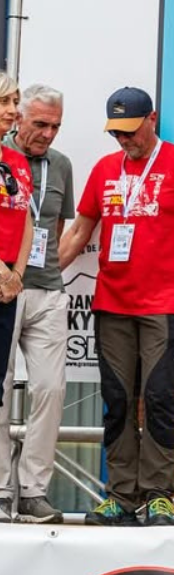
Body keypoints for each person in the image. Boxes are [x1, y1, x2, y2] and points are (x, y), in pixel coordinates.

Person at [58, 87, 174, 526]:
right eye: (116, 133)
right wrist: (38, 276)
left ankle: (157, 494)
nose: (124, 141)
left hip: (164, 303)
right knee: (116, 399)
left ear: (152, 119)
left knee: (159, 396)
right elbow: (78, 234)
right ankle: (120, 494)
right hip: (112, 302)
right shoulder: (105, 169)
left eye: (130, 131)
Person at [0, 85, 72, 525]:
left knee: (50, 388)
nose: (47, 134)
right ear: (19, 118)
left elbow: (53, 224)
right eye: (39, 124)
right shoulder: (4, 155)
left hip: (43, 285)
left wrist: (26, 272)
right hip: (5, 284)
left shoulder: (61, 165)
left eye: (55, 126)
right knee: (1, 390)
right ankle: (2, 486)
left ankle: (32, 490)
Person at [0, 72, 34, 477]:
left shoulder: (18, 161)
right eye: (6, 102)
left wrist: (17, 273)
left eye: (15, 101)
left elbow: (25, 218)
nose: (13, 111)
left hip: (8, 285)